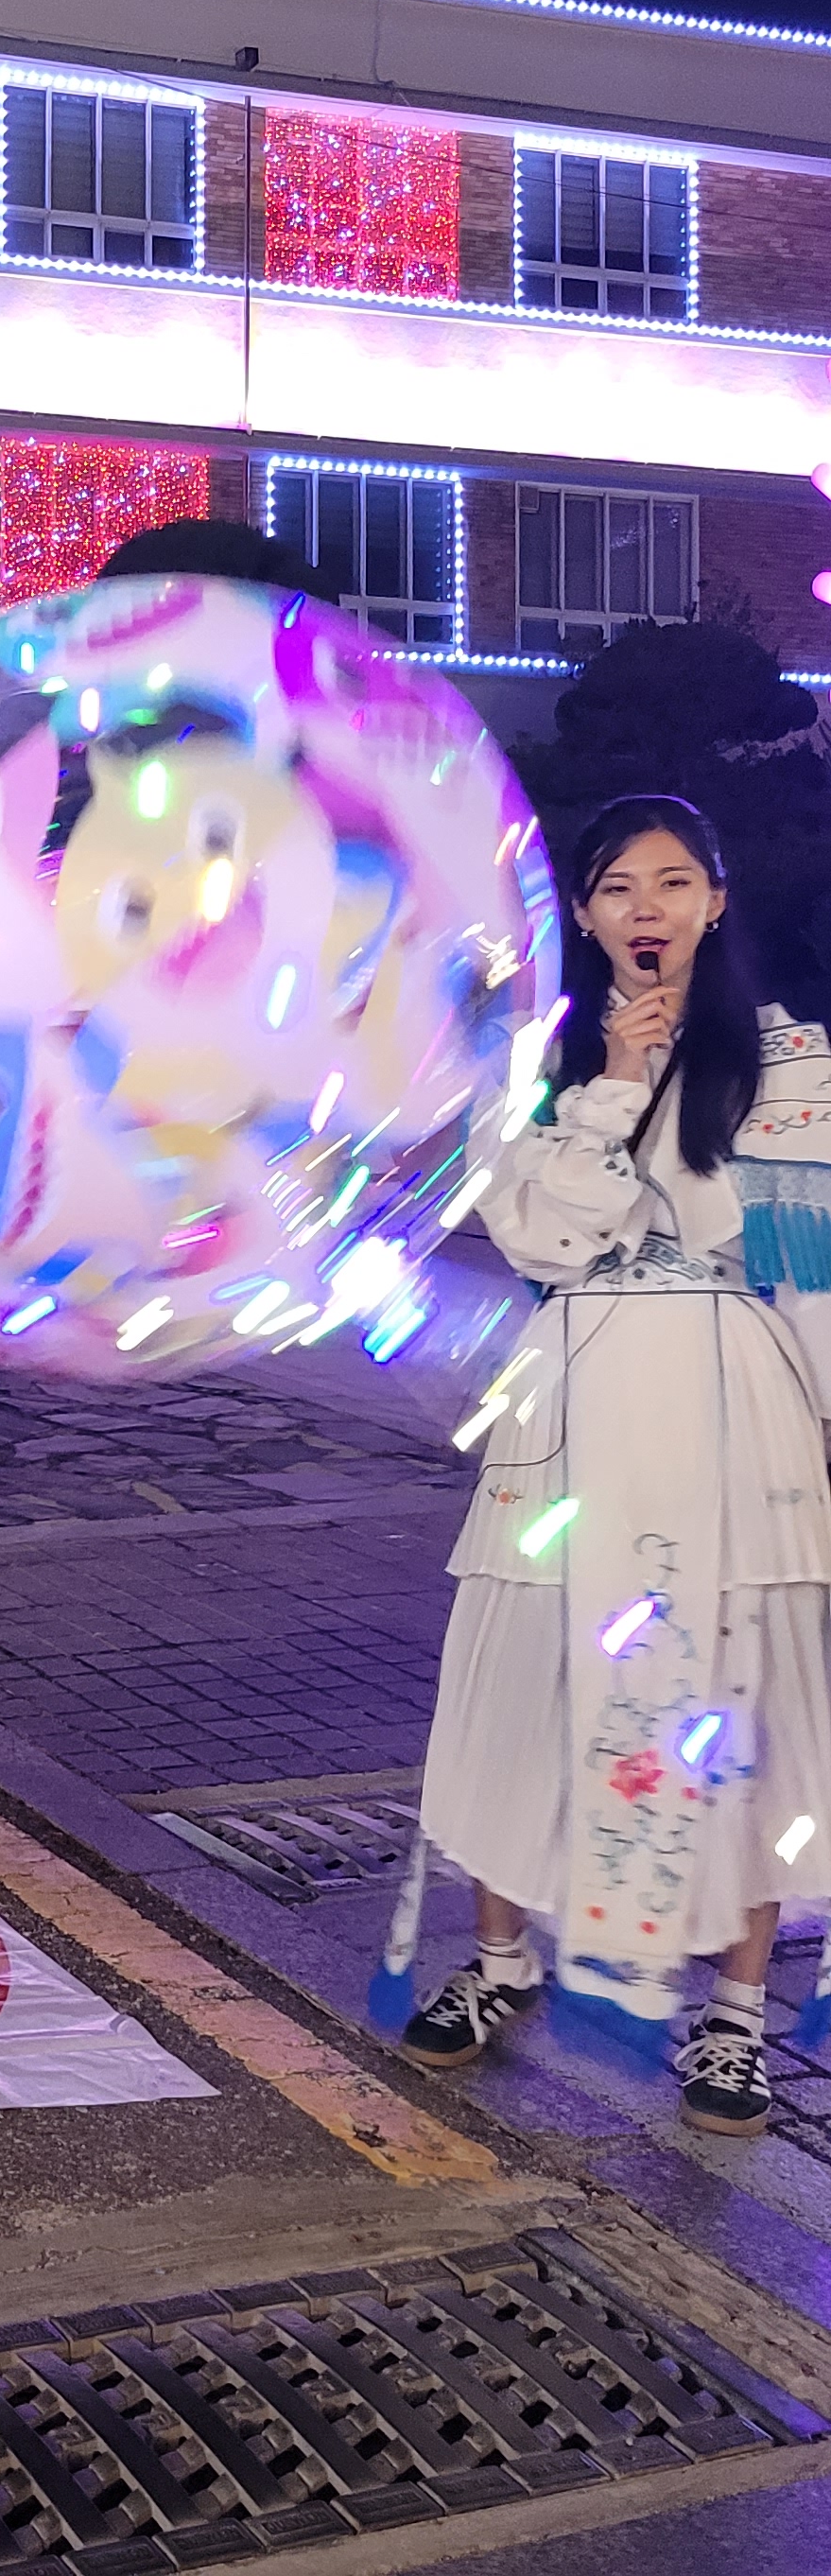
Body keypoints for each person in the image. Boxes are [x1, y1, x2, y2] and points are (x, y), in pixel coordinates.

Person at [402, 793, 831, 2137]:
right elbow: (543, 1241)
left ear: (716, 899)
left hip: (738, 1404)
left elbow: (809, 1275)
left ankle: (735, 2016)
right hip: (576, 1398)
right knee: (524, 1682)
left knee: (742, 1698)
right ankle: (500, 1958)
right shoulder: (536, 1067)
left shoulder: (796, 1063)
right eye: (618, 888)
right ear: (584, 917)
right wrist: (617, 1085)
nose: (648, 908)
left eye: (674, 882)